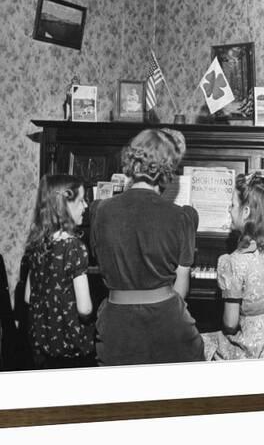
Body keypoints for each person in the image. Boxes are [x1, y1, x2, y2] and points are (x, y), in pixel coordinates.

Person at [89, 128, 205, 366]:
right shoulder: (182, 217)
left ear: (132, 160)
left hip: (116, 331)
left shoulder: (99, 210)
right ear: (167, 168)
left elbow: (99, 262)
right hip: (168, 328)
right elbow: (180, 292)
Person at [202, 172, 264, 360]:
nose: (229, 210)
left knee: (201, 342)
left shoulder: (234, 261)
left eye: (232, 205)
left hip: (250, 353)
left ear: (246, 212)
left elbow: (230, 324)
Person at [20, 174, 96, 369]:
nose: (86, 206)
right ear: (64, 206)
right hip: (71, 349)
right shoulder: (74, 247)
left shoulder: (37, 244)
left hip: (40, 346)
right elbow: (85, 309)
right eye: (81, 200)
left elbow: (28, 297)